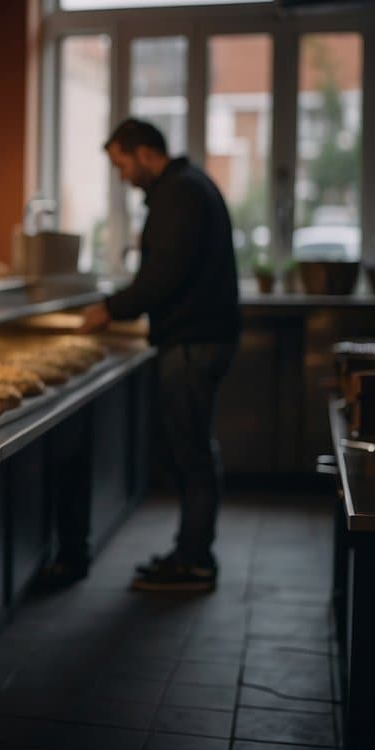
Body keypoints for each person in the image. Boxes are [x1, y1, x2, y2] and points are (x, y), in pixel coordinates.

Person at [80, 118, 240, 592]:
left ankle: (194, 562)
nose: (123, 176)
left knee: (190, 452)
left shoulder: (181, 194)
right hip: (198, 339)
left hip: (193, 343)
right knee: (192, 449)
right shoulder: (186, 188)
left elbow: (165, 273)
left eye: (122, 164)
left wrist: (110, 308)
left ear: (146, 153)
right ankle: (191, 553)